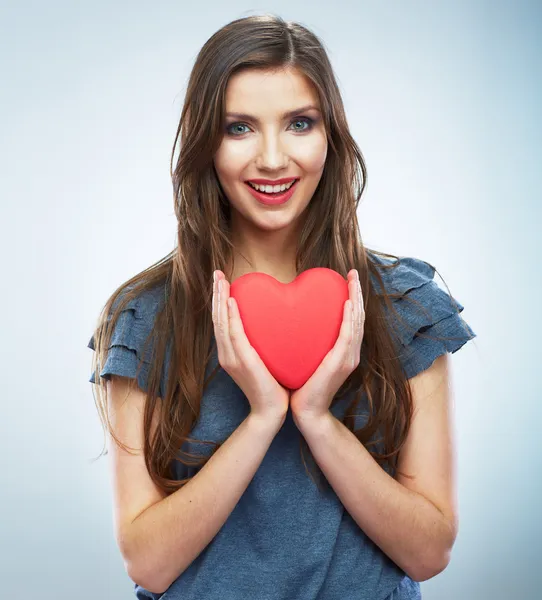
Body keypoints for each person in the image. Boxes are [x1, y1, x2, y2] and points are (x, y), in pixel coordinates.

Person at [87, 13, 476, 600]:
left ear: (330, 135)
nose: (272, 159)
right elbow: (148, 563)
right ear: (205, 144)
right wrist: (264, 416)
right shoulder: (147, 317)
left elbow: (428, 551)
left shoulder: (403, 306)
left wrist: (318, 420)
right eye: (239, 127)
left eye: (299, 123)